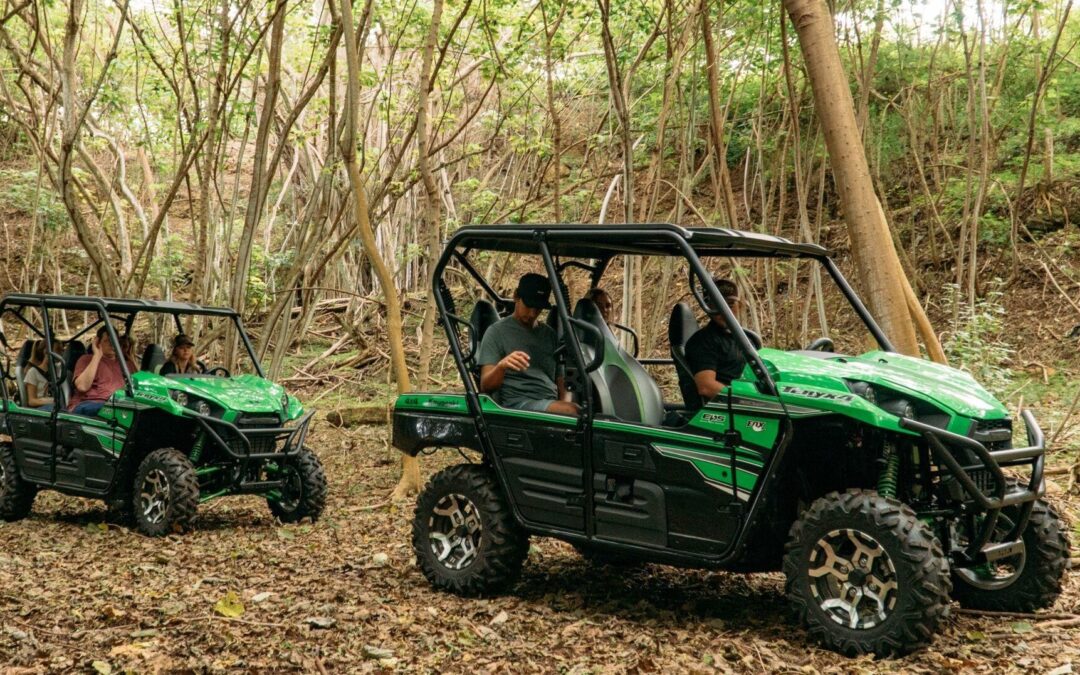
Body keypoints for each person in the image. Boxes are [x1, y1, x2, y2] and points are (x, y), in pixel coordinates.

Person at [478, 273, 579, 416]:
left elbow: (562, 380)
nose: (532, 314)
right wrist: (502, 366)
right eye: (529, 306)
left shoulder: (550, 335)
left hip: (548, 403)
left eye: (538, 308)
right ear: (516, 296)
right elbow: (485, 386)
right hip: (518, 405)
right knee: (573, 411)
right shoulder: (496, 333)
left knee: (581, 412)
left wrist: (565, 405)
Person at [684, 278, 748, 409]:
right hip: (724, 409)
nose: (724, 312)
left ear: (740, 306)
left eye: (730, 305)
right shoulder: (703, 341)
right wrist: (747, 401)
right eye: (717, 306)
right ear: (708, 308)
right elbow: (706, 387)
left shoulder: (746, 338)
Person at [69, 327, 127, 417]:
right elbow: (82, 386)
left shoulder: (125, 363)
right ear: (98, 342)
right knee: (115, 410)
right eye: (108, 341)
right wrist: (97, 355)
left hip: (118, 405)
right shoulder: (86, 359)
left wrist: (129, 355)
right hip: (89, 404)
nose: (112, 344)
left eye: (115, 341)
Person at [23, 340, 56, 411]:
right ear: (46, 352)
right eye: (58, 350)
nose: (62, 354)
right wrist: (52, 401)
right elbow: (31, 401)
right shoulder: (33, 372)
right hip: (41, 408)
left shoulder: (59, 370)